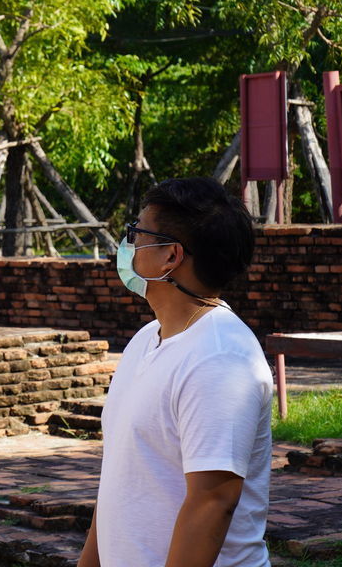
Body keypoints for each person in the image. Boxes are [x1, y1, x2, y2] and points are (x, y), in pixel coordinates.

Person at [78, 177, 273, 567]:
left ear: (171, 256)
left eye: (136, 232)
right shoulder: (147, 339)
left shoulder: (220, 358)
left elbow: (212, 502)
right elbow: (120, 481)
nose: (127, 244)